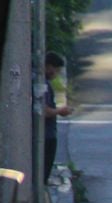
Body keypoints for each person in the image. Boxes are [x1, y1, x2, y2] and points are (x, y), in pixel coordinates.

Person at [43, 51, 74, 183]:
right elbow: (43, 110)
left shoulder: (45, 83)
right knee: (43, 171)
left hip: (48, 133)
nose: (56, 74)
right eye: (55, 70)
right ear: (48, 66)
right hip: (45, 135)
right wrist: (60, 111)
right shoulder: (41, 84)